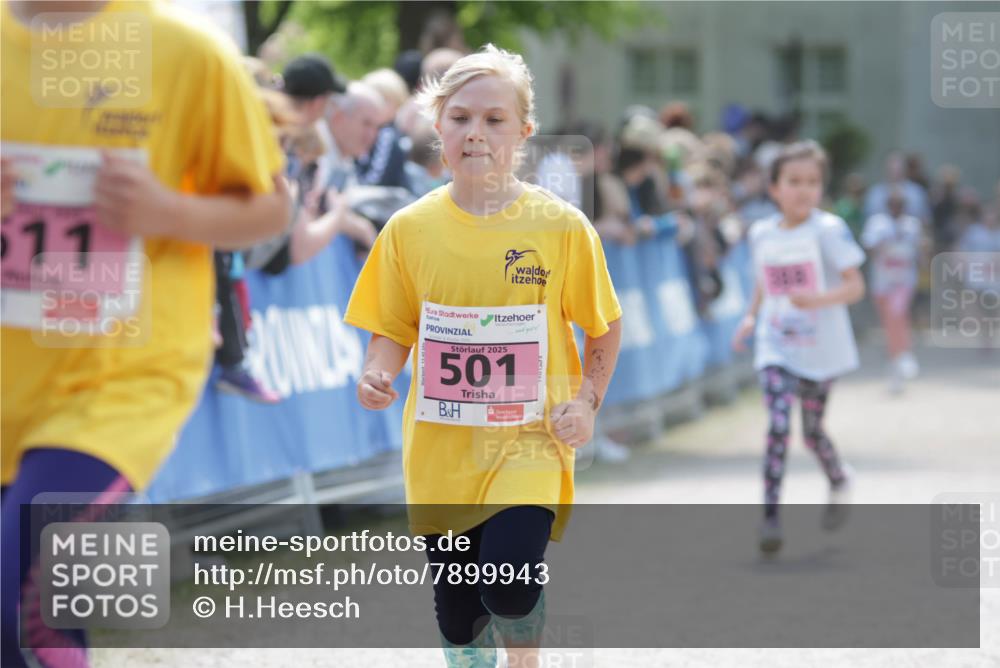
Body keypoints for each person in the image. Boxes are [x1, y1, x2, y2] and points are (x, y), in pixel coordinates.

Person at [0, 1, 287, 666]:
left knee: (17, 604)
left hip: (118, 382)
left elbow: (272, 207)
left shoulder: (187, 52)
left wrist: (168, 211)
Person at [343, 44, 622, 668]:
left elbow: (603, 327)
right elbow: (392, 327)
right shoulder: (408, 229)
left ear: (523, 132)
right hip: (441, 450)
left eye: (495, 119)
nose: (476, 133)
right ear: (437, 126)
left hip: (528, 441)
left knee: (508, 582)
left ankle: (525, 655)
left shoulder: (560, 226)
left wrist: (587, 401)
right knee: (459, 615)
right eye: (461, 117)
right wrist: (377, 372)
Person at [732, 141, 866, 555]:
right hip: (776, 343)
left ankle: (839, 477)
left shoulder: (829, 230)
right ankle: (770, 518)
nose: (803, 190)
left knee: (811, 432)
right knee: (777, 424)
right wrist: (750, 317)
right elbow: (762, 281)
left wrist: (818, 300)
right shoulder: (761, 233)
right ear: (774, 188)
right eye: (793, 181)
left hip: (820, 348)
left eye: (812, 181)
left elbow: (855, 286)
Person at [861, 190, 924, 393]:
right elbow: (869, 247)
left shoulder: (912, 225)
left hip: (904, 280)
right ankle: (896, 363)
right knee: (890, 323)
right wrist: (884, 243)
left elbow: (919, 250)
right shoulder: (877, 223)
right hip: (882, 282)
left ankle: (903, 354)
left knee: (897, 314)